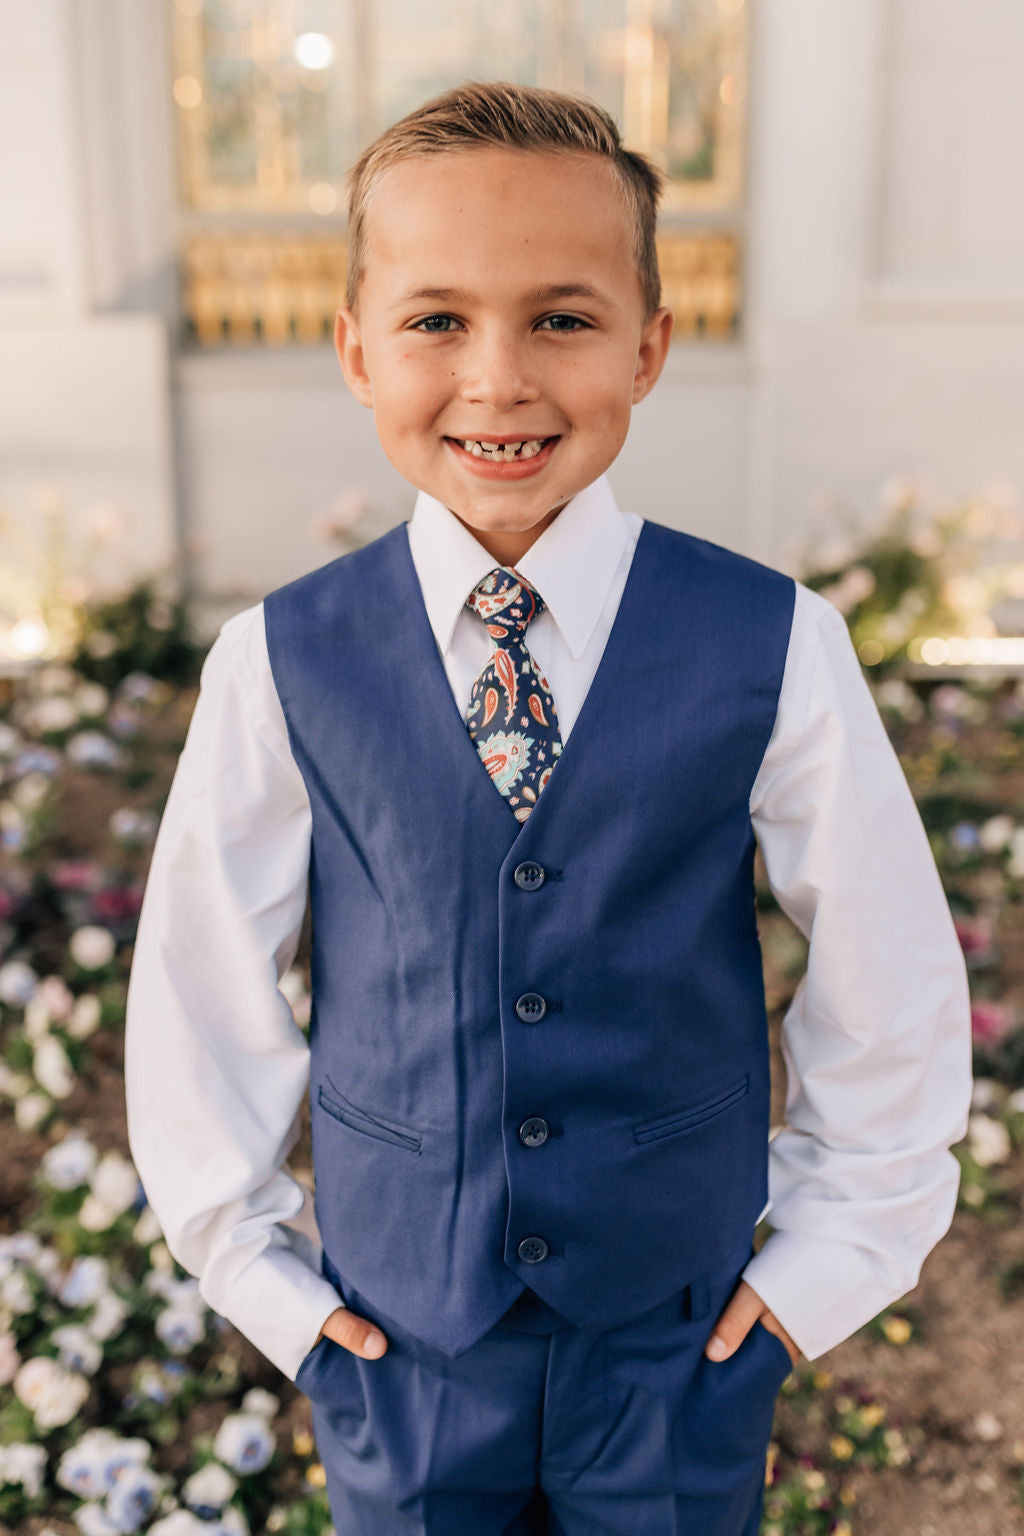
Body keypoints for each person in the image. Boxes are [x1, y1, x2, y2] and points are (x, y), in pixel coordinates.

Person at [124, 80, 972, 1536]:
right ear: (354, 350)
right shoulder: (281, 659)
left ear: (649, 346)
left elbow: (888, 973)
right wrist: (271, 1288)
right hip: (398, 1348)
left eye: (562, 319)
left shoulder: (768, 641)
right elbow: (202, 984)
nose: (499, 380)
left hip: (678, 1345)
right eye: (436, 321)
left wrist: (814, 1278)